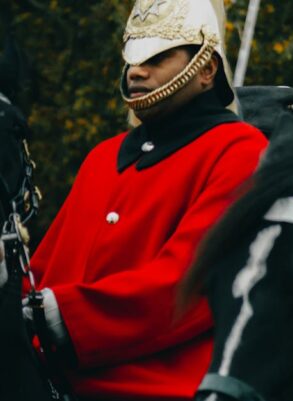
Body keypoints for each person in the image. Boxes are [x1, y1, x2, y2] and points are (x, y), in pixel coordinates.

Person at [22, 0, 268, 399]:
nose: (136, 70)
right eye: (133, 57)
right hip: (54, 372)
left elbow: (187, 282)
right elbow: (44, 272)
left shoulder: (240, 149)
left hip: (162, 387)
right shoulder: (103, 157)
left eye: (158, 56)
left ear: (206, 69)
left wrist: (57, 317)